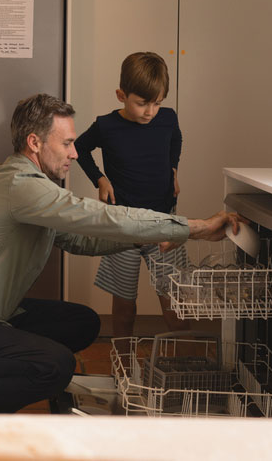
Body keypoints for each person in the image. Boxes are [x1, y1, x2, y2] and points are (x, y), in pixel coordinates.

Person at [0, 93, 240, 413]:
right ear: (35, 143)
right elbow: (101, 217)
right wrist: (193, 227)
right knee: (56, 366)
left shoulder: (29, 186)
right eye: (67, 143)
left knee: (81, 324)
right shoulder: (20, 186)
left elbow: (80, 241)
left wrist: (146, 241)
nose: (75, 153)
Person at [74, 51, 189, 338]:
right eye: (142, 103)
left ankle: (181, 369)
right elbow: (80, 148)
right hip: (122, 227)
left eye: (157, 103)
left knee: (175, 306)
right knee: (124, 309)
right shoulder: (106, 126)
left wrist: (173, 168)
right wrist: (99, 179)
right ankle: (122, 368)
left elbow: (176, 138)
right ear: (121, 95)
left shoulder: (167, 119)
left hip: (163, 222)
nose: (150, 111)